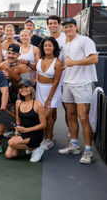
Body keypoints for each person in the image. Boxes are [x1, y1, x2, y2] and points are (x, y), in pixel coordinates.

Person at [58, 18, 98, 164]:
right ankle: (74, 145)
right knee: (70, 115)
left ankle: (88, 151)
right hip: (68, 82)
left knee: (83, 117)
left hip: (82, 84)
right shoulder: (65, 43)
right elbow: (63, 63)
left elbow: (94, 59)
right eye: (65, 27)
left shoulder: (85, 40)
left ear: (76, 27)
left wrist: (72, 63)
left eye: (70, 26)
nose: (68, 29)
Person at [5, 80, 46, 163]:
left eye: (26, 87)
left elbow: (43, 125)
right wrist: (17, 131)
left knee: (11, 142)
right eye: (21, 88)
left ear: (31, 89)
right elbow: (18, 120)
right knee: (9, 155)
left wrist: (28, 130)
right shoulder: (18, 102)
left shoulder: (38, 105)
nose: (23, 89)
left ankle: (37, 148)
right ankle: (30, 148)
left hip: (35, 135)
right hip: (23, 133)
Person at [36, 37, 63, 150]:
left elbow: (56, 81)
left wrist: (49, 98)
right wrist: (27, 63)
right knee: (41, 116)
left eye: (49, 46)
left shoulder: (57, 63)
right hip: (39, 90)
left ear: (54, 47)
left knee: (47, 116)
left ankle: (49, 139)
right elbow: (36, 70)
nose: (47, 47)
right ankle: (44, 137)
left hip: (52, 92)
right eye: (45, 45)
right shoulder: (40, 59)